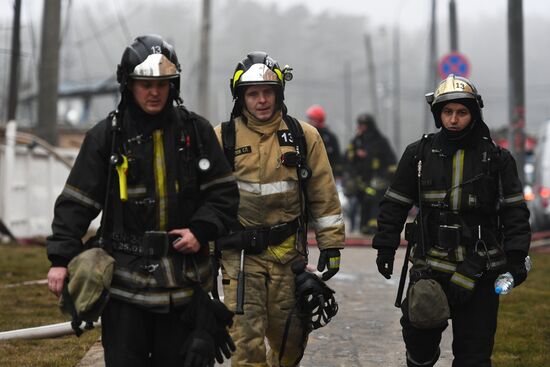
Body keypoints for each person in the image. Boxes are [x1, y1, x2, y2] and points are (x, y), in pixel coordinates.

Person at [46, 34, 239, 367]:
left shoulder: (196, 134)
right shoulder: (108, 136)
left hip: (183, 289)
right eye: (145, 83)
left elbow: (224, 195)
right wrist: (61, 258)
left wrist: (200, 231)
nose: (154, 92)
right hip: (124, 290)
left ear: (173, 85)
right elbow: (76, 202)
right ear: (128, 84)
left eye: (162, 83)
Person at [373, 74, 531, 367]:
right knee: (418, 344)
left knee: (474, 355)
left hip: (481, 269)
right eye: (448, 112)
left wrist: (517, 256)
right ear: (438, 115)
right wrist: (385, 246)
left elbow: (515, 211)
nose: (454, 119)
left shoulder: (498, 158)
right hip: (430, 267)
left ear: (473, 114)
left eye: (461, 112)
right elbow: (394, 204)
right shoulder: (417, 154)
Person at [213, 51, 345, 366]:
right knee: (246, 344)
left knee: (291, 340)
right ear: (240, 97)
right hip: (241, 261)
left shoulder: (303, 137)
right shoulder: (223, 138)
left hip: (288, 258)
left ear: (278, 93)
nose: (261, 100)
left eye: (267, 92)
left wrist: (332, 244)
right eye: (253, 93)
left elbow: (323, 193)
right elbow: (208, 200)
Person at [345, 113, 396, 234]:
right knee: (363, 201)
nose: (360, 128)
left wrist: (386, 176)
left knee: (374, 200)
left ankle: (373, 225)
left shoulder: (380, 141)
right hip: (361, 179)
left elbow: (390, 160)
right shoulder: (357, 141)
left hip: (377, 179)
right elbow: (347, 157)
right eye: (359, 125)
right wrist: (356, 155)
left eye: (363, 125)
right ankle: (364, 226)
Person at [306, 104, 343, 178]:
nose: (309, 121)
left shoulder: (329, 137)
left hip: (326, 174)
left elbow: (337, 156)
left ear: (318, 120)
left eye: (311, 119)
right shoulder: (306, 134)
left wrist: (338, 173)